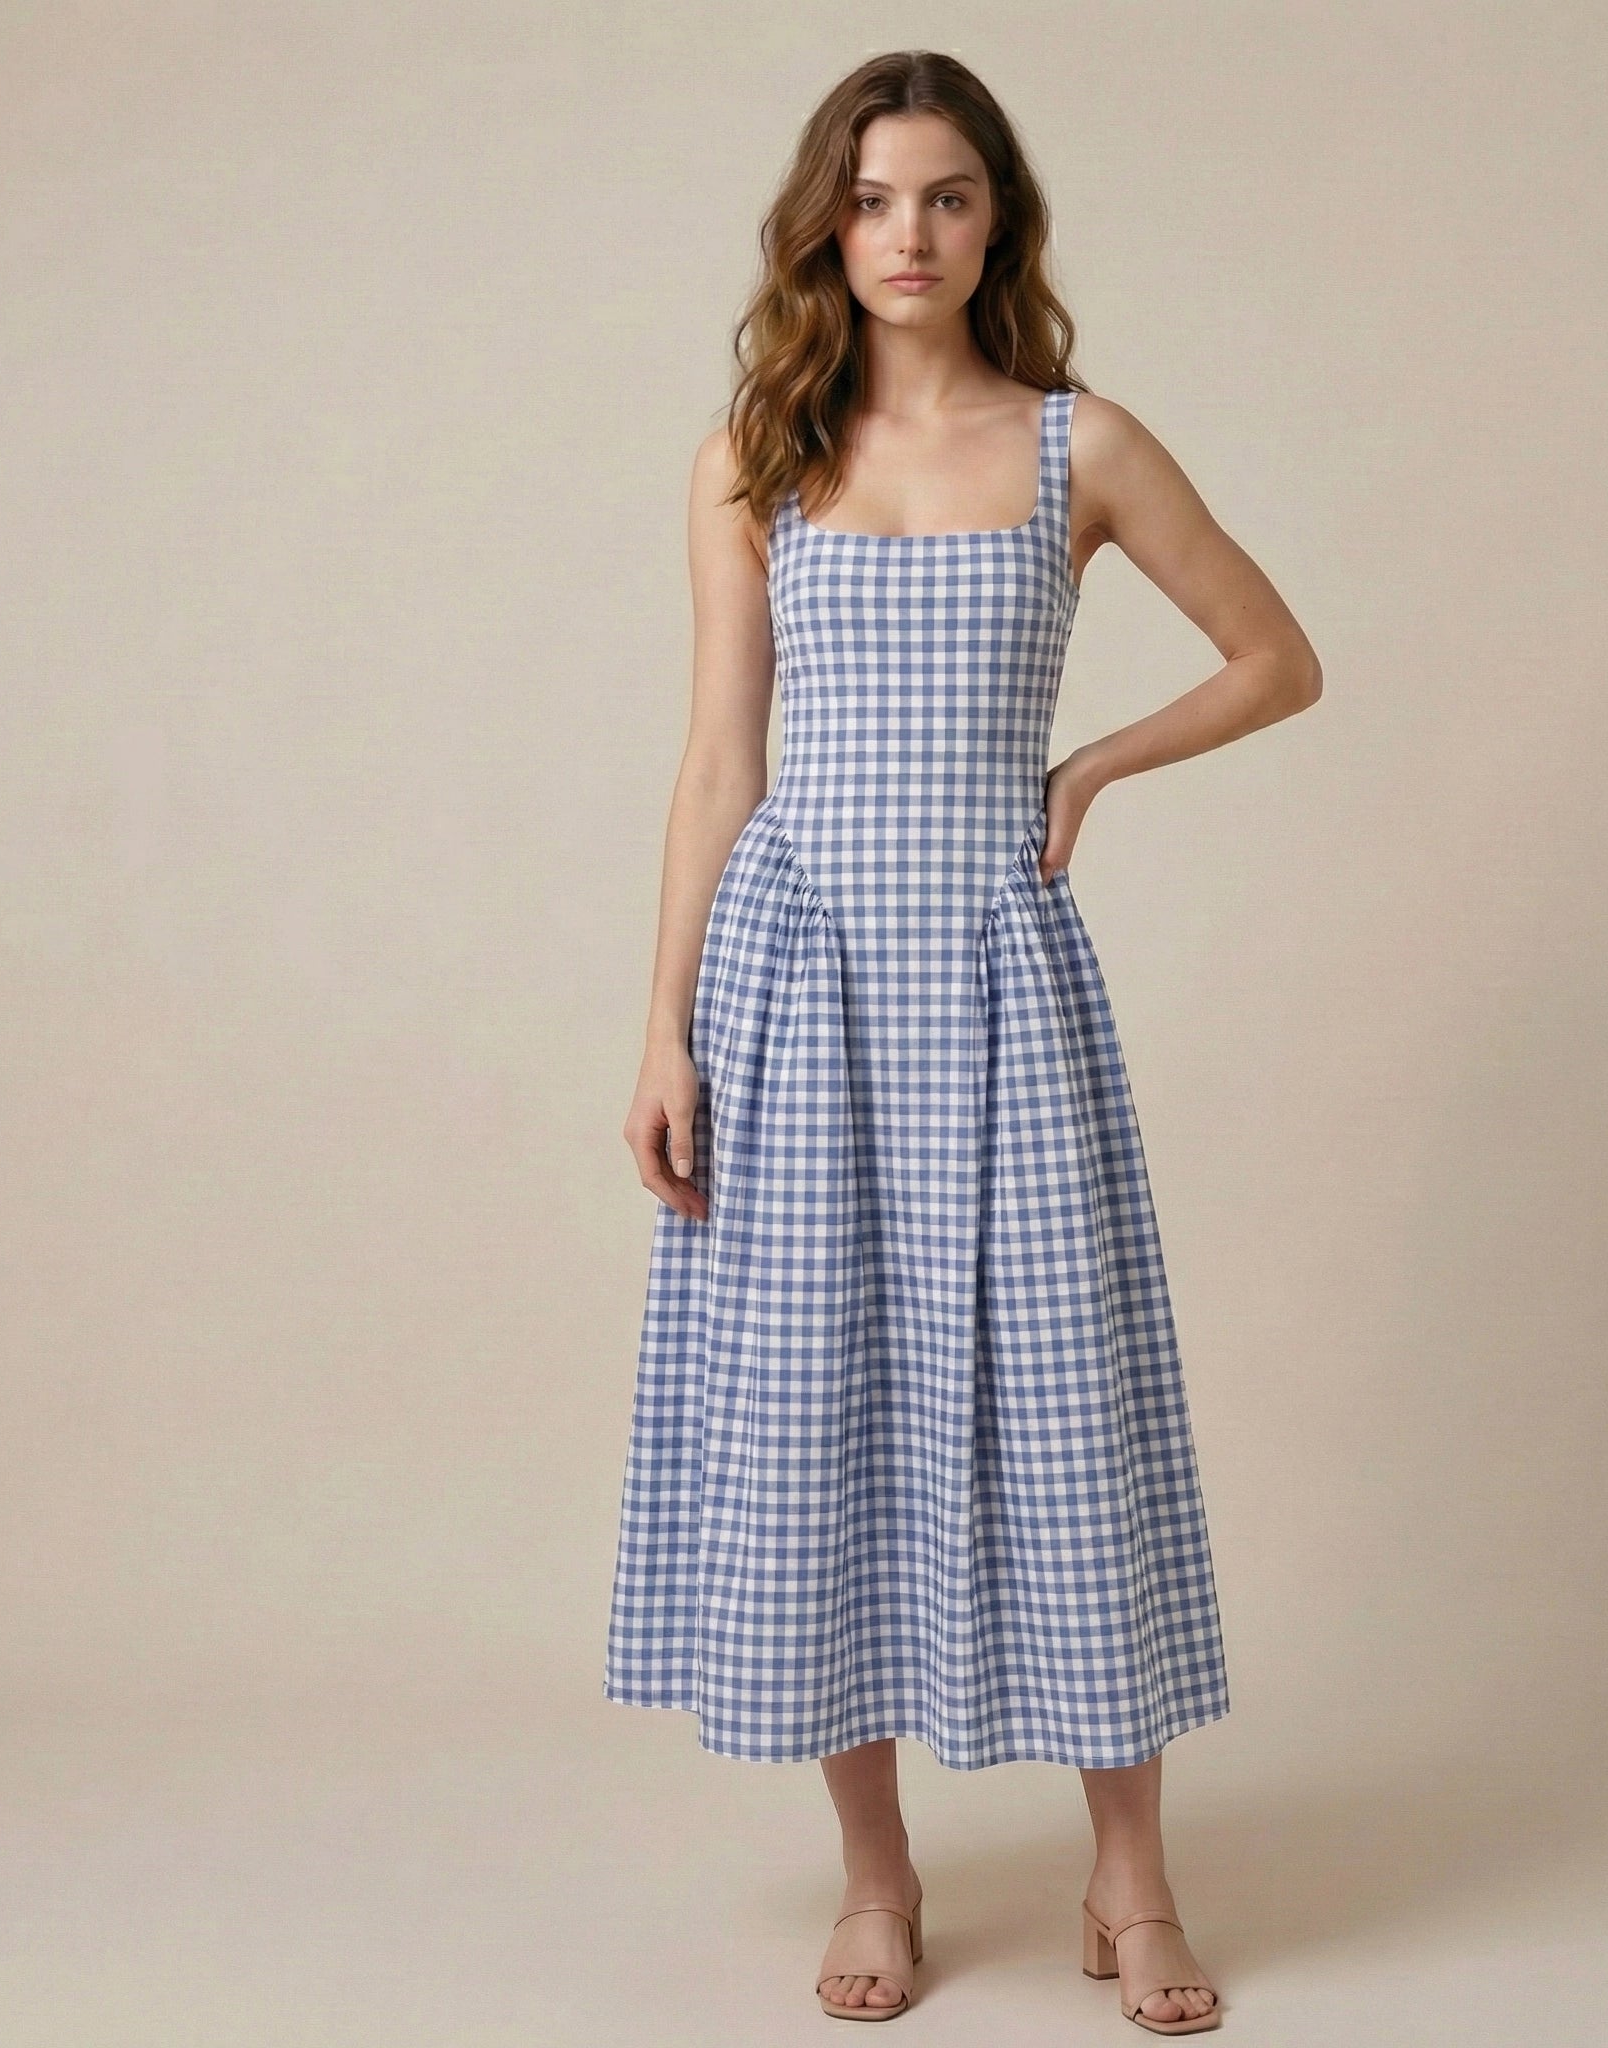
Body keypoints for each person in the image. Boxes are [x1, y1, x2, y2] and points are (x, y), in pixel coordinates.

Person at [606, 49, 1320, 2034]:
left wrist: (1090, 764)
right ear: (822, 225)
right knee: (823, 1406)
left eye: (943, 197)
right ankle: (877, 1874)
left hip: (999, 995)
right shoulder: (754, 452)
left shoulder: (1078, 442)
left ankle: (1128, 1879)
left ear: (995, 218)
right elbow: (718, 758)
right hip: (797, 983)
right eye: (870, 199)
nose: (905, 234)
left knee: (1071, 1413)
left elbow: (1278, 655)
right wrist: (663, 1026)